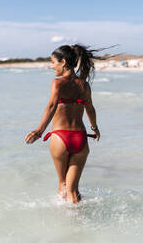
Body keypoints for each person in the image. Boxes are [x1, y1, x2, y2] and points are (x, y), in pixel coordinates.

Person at [25, 44, 103, 203]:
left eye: (53, 62)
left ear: (64, 62)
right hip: (81, 139)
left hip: (60, 138)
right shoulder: (84, 85)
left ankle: (65, 225)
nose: (52, 66)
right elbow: (90, 109)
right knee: (73, 190)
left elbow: (52, 106)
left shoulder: (58, 83)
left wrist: (39, 131)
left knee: (63, 185)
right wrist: (95, 128)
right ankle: (79, 222)